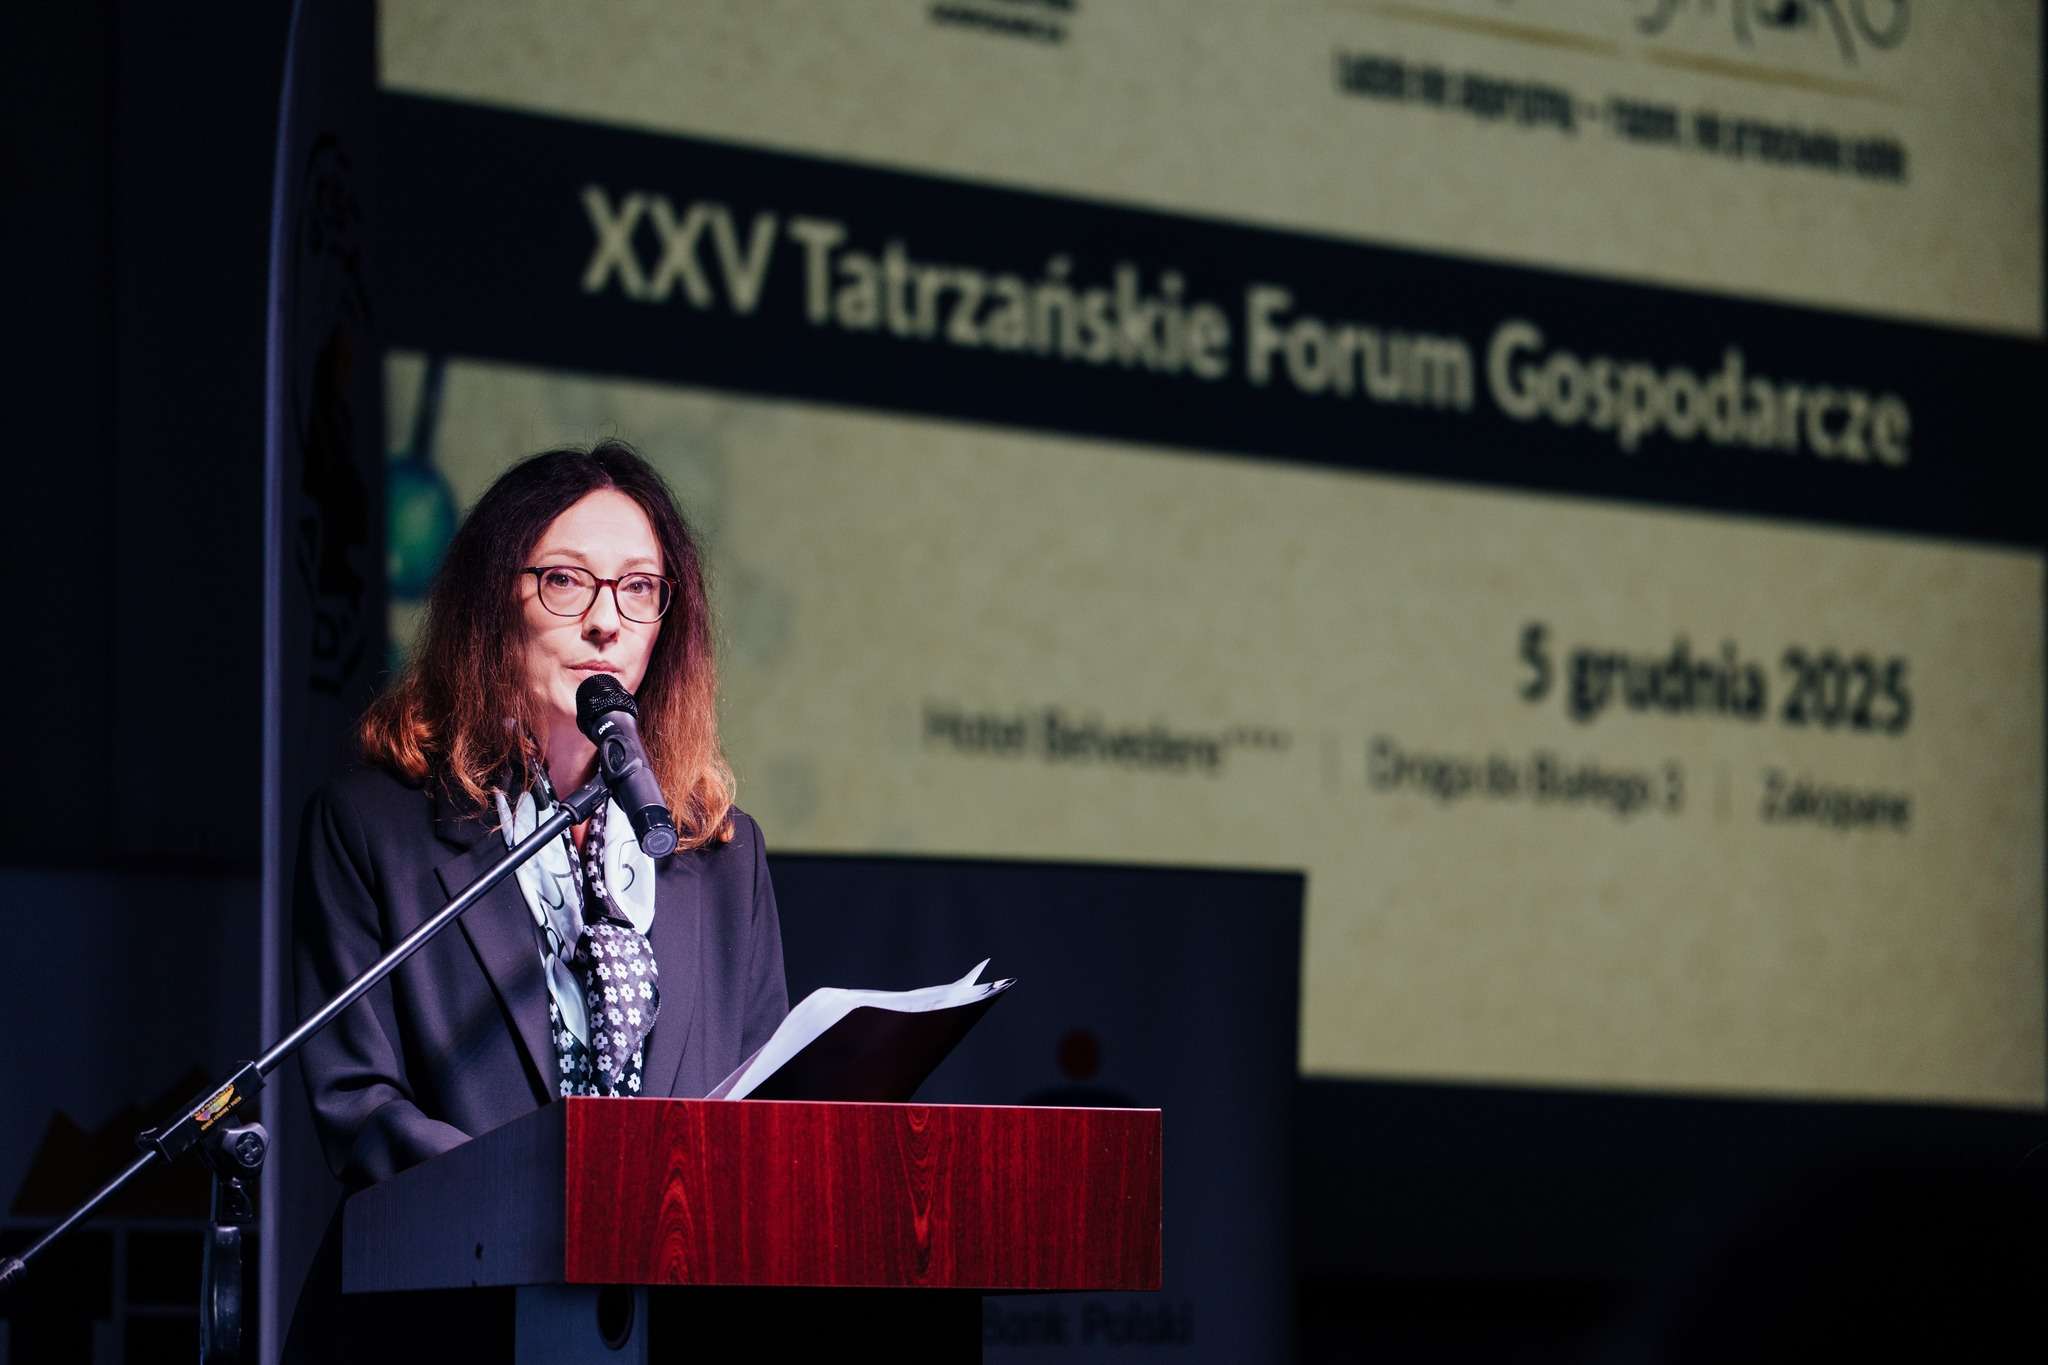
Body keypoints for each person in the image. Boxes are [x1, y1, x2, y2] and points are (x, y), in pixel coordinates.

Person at [284, 439, 786, 1357]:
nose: (606, 622)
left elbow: (762, 1104)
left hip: (667, 1323)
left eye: (639, 588)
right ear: (491, 604)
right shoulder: (373, 828)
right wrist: (558, 1199)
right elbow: (358, 1108)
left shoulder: (722, 852)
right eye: (566, 581)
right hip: (443, 1321)